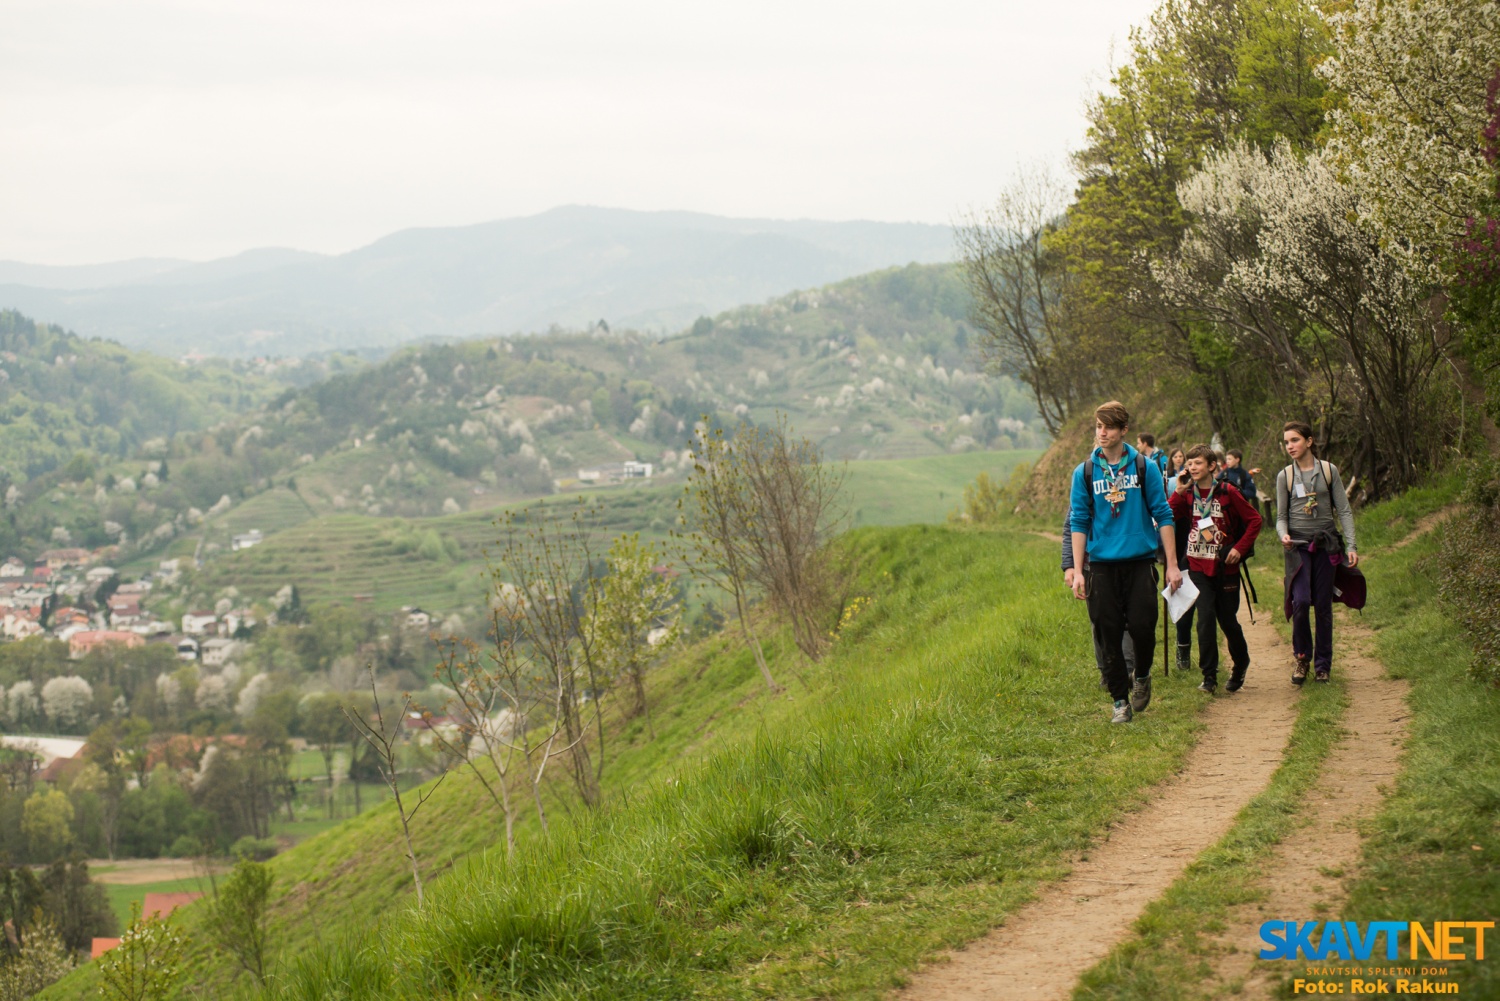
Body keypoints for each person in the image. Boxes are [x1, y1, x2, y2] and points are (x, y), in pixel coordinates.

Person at [1070, 401, 1182, 723]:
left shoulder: (1144, 467)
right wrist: (1078, 570)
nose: (1102, 433)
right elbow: (1079, 521)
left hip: (1140, 562)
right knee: (1108, 634)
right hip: (1101, 566)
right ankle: (1120, 699)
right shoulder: (1085, 472)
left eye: (1108, 427)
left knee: (1143, 628)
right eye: (1098, 426)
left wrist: (1172, 564)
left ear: (1123, 430)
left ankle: (1142, 675)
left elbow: (1163, 514)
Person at [1169, 444, 1262, 693]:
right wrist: (1178, 491)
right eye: (1189, 463)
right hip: (1197, 566)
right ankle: (1209, 676)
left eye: (1197, 463)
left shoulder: (1228, 492)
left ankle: (1240, 663)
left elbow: (1255, 520)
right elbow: (1167, 515)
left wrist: (1239, 549)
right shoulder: (1188, 494)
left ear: (1212, 466)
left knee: (1228, 621)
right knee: (1205, 620)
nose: (1192, 467)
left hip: (1224, 567)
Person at [1275, 421, 1359, 684]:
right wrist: (1283, 535)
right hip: (1297, 548)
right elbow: (1280, 517)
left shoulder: (1328, 471)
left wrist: (1352, 545)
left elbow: (1343, 510)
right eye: (1286, 442)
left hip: (1325, 546)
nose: (1290, 446)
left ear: (1309, 441)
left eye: (1295, 440)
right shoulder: (1285, 476)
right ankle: (1302, 658)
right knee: (1300, 601)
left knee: (1323, 606)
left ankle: (1323, 666)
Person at [1061, 504, 1136, 690]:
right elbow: (1071, 526)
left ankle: (1127, 670)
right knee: (1100, 621)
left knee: (1127, 617)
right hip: (1092, 566)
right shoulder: (1085, 489)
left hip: (1126, 562)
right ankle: (1107, 670)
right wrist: (1070, 565)